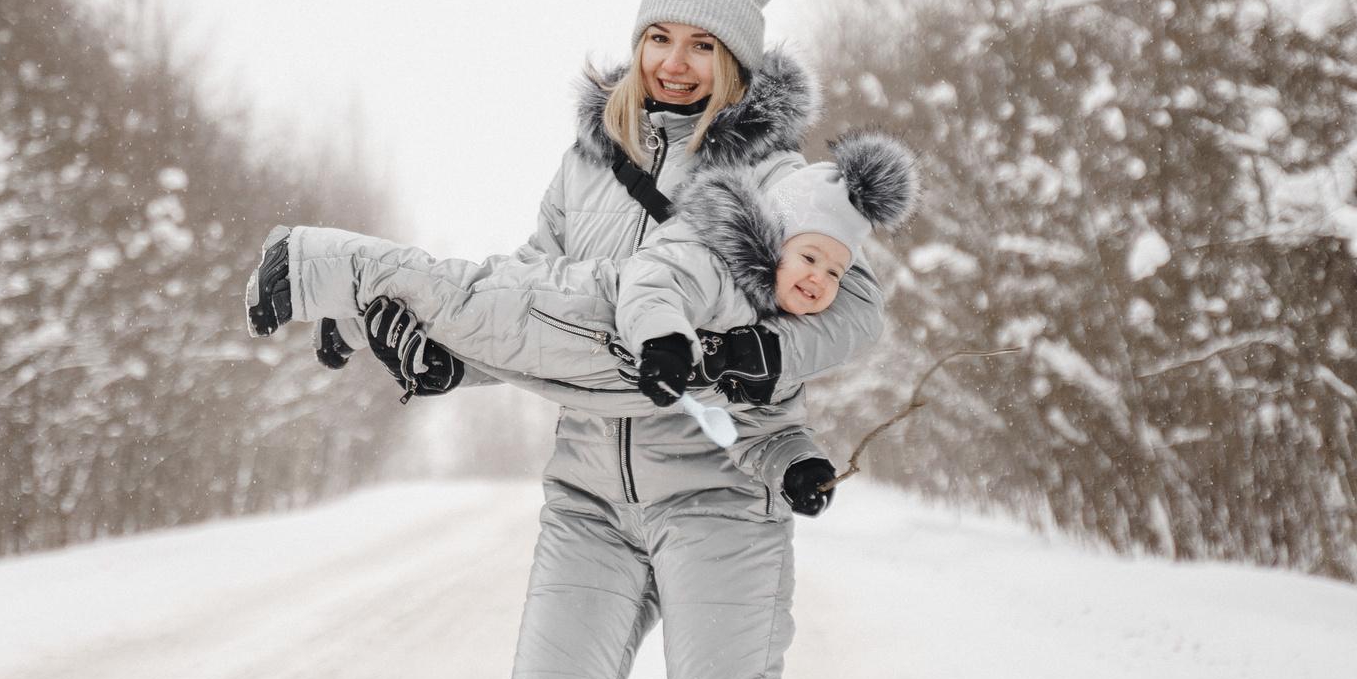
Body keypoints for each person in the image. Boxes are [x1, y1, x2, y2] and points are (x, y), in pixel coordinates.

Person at [327, 0, 887, 679]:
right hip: (590, 497)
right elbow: (530, 296)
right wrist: (451, 357)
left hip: (720, 492)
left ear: (736, 62)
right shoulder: (588, 167)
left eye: (703, 44)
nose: (675, 62)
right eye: (659, 36)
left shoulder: (777, 175)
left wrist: (768, 350)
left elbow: (859, 306)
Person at [243, 131, 917, 515]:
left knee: (458, 342)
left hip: (582, 372)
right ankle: (304, 258)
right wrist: (664, 340)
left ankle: (353, 320)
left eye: (834, 271)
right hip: (576, 309)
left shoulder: (774, 347)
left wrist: (797, 465)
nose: (817, 281)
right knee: (457, 297)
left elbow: (768, 422)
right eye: (808, 257)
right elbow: (656, 282)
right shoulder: (717, 266)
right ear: (772, 240)